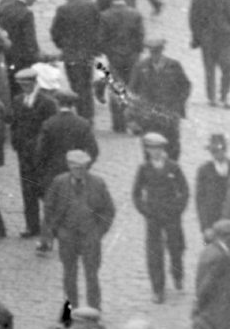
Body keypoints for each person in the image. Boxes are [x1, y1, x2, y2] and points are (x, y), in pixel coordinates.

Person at [43, 147, 115, 311]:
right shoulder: (59, 182)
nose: (79, 172)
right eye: (75, 168)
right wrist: (55, 231)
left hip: (90, 236)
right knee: (69, 275)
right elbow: (49, 207)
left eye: (82, 168)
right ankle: (72, 310)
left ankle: (94, 310)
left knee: (92, 275)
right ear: (69, 167)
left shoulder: (97, 183)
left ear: (87, 168)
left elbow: (109, 210)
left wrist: (99, 231)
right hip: (67, 235)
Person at [132, 132, 190, 304]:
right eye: (152, 149)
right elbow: (136, 194)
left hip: (172, 215)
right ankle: (158, 289)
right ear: (147, 150)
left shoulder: (173, 167)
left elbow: (184, 190)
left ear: (163, 150)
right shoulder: (144, 169)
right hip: (153, 216)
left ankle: (177, 274)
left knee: (176, 247)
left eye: (158, 149)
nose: (155, 152)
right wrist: (145, 210)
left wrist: (178, 208)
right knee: (154, 252)